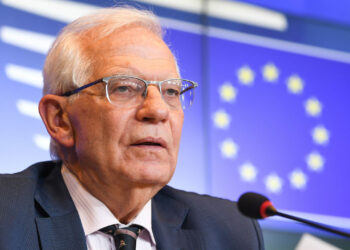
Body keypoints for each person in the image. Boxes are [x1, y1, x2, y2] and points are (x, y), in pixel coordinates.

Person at [0, 6, 264, 250]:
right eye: (124, 87)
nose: (158, 111)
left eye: (171, 91)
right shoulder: (7, 216)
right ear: (60, 119)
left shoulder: (230, 232)